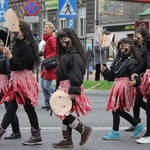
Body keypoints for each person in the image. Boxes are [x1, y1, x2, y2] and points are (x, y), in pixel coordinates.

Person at [0, 20, 42, 145]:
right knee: (15, 109)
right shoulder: (17, 44)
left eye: (16, 30)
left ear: (22, 31)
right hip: (16, 81)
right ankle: (36, 135)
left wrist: (10, 56)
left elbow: (23, 65)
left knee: (23, 109)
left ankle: (36, 135)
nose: (13, 32)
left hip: (24, 82)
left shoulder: (27, 46)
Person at [52, 28, 92, 148]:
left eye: (65, 39)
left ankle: (83, 129)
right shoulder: (66, 53)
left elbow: (76, 73)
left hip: (69, 86)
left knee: (62, 111)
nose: (62, 42)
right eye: (61, 40)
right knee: (64, 112)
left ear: (72, 40)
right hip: (63, 86)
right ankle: (67, 139)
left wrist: (73, 91)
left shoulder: (74, 55)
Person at [101, 37, 144, 140]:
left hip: (125, 87)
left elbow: (135, 74)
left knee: (116, 109)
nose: (122, 47)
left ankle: (115, 132)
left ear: (131, 47)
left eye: (125, 45)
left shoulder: (132, 61)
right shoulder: (118, 59)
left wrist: (135, 82)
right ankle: (137, 125)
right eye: (121, 45)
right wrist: (105, 71)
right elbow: (112, 76)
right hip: (117, 86)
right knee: (117, 109)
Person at [125, 26, 149, 132]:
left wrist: (137, 72)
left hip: (141, 77)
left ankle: (137, 122)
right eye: (135, 34)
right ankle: (136, 122)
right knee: (136, 101)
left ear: (143, 36)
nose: (135, 36)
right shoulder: (136, 47)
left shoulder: (145, 48)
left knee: (138, 101)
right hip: (135, 75)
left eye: (138, 34)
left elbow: (143, 63)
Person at [0, 29, 21, 139]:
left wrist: (10, 85)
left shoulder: (6, 55)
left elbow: (9, 71)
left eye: (1, 42)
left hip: (5, 85)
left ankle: (16, 131)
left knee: (9, 108)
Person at [40, 21, 57, 111]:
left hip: (50, 65)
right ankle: (48, 102)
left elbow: (55, 52)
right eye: (45, 27)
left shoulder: (51, 39)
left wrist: (47, 58)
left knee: (46, 85)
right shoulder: (47, 39)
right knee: (43, 85)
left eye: (47, 28)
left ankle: (60, 97)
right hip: (46, 64)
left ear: (51, 29)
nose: (44, 29)